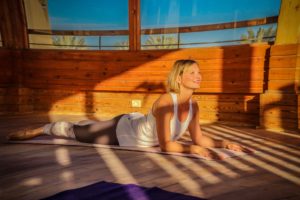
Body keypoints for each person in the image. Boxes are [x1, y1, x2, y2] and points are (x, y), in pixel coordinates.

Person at [7, 59, 252, 159]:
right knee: (75, 132)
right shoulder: (167, 102)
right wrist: (194, 150)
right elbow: (167, 145)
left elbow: (199, 137)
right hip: (122, 131)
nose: (199, 76)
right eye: (192, 73)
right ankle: (42, 128)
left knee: (84, 127)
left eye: (199, 72)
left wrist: (224, 144)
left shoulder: (195, 104)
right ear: (179, 78)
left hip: (134, 125)